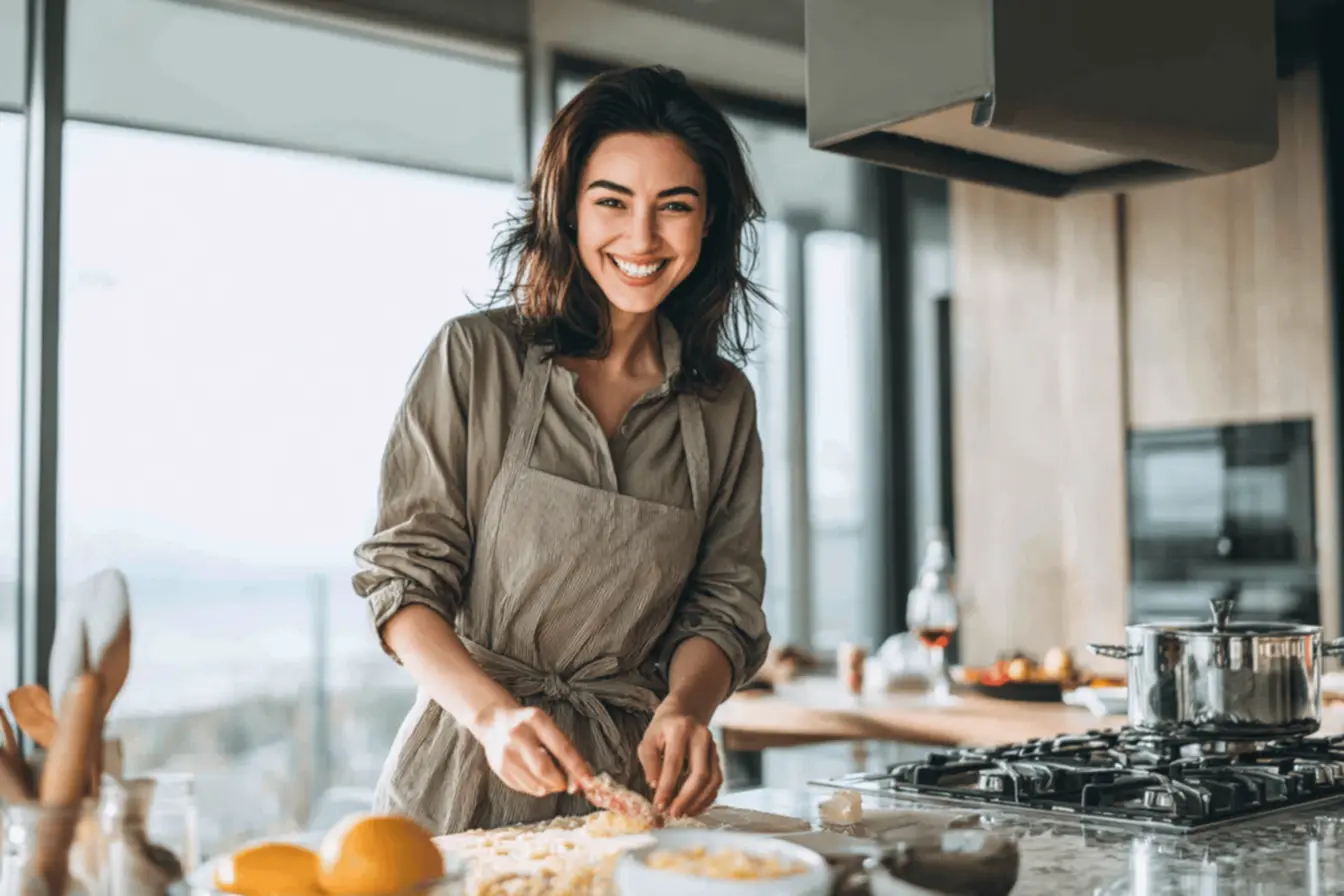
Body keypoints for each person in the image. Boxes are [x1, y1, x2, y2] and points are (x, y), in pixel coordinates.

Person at [353, 64, 771, 835]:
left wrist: (687, 707)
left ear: (709, 220)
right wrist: (492, 716)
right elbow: (402, 584)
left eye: (674, 206)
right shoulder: (475, 359)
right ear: (567, 209)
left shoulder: (722, 403)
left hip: (630, 789)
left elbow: (724, 605)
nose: (641, 238)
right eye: (612, 201)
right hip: (463, 771)